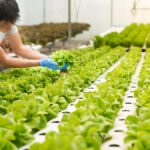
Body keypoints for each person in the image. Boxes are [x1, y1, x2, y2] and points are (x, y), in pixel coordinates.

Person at [0, 0, 68, 70]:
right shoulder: (7, 22)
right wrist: (40, 62)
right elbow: (5, 60)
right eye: (4, 24)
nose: (10, 27)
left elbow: (19, 48)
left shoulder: (8, 22)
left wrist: (47, 58)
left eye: (12, 22)